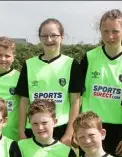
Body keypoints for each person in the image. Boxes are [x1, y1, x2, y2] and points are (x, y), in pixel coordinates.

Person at [79, 9, 122, 157]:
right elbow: (76, 97)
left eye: (115, 31)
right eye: (105, 31)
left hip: (120, 129)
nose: (110, 36)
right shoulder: (89, 57)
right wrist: (76, 129)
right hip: (90, 126)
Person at [17, 18, 82, 146]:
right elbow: (24, 101)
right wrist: (21, 131)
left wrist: (69, 133)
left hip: (60, 129)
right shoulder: (29, 65)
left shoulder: (71, 64)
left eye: (54, 36)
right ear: (40, 38)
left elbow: (75, 101)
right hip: (34, 128)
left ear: (62, 37)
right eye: (44, 36)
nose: (49, 40)